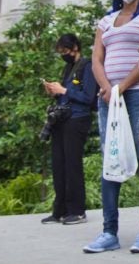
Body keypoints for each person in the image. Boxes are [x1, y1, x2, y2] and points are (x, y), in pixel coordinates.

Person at [84, 0, 139, 255]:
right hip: (109, 98)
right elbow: (96, 59)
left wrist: (123, 85)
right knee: (110, 159)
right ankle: (108, 231)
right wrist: (106, 87)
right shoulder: (106, 20)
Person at [40, 33, 98, 226]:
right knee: (59, 165)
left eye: (65, 51)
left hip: (78, 119)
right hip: (61, 119)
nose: (63, 54)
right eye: (60, 52)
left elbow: (90, 98)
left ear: (75, 47)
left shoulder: (87, 66)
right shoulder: (68, 68)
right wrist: (55, 92)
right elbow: (67, 96)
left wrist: (64, 91)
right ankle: (60, 210)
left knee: (72, 165)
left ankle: (77, 210)